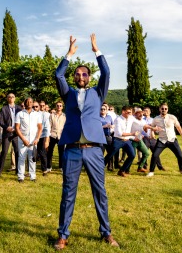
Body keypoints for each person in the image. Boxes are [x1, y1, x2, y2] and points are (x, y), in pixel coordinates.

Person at [54, 34, 119, 250]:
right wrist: (69, 55)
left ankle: (106, 232)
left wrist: (96, 51)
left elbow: (107, 72)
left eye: (84, 73)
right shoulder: (68, 94)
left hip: (93, 151)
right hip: (72, 150)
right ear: (74, 76)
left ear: (89, 77)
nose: (81, 76)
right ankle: (63, 234)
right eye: (77, 73)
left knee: (99, 192)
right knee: (68, 193)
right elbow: (58, 74)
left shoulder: (98, 93)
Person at [104, 106, 151, 177]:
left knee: (132, 155)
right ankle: (99, 168)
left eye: (131, 113)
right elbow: (120, 133)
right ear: (123, 111)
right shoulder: (118, 120)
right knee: (110, 155)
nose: (130, 114)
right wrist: (132, 134)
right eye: (128, 112)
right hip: (118, 140)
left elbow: (141, 123)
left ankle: (122, 171)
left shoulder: (131, 118)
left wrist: (152, 128)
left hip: (127, 141)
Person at [147, 103, 182, 177]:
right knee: (155, 155)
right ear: (159, 109)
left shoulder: (172, 117)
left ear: (167, 109)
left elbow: (178, 126)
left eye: (165, 109)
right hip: (161, 140)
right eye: (162, 108)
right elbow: (152, 127)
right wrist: (152, 133)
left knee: (180, 156)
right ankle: (151, 171)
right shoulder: (156, 119)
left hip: (172, 140)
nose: (164, 110)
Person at [15, 97, 42, 183]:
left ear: (33, 103)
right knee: (21, 158)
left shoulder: (37, 114)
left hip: (33, 140)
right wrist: (23, 139)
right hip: (23, 140)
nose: (29, 103)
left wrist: (37, 138)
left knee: (32, 158)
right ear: (25, 103)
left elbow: (40, 128)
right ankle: (20, 176)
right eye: (27, 101)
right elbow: (17, 128)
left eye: (31, 102)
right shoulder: (20, 114)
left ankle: (32, 176)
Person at [0, 93, 22, 177]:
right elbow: (0, 121)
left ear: (15, 98)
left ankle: (18, 171)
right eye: (9, 97)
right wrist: (6, 127)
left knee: (17, 152)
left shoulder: (19, 108)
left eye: (12, 97)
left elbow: (22, 120)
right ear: (7, 99)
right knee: (4, 152)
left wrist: (18, 128)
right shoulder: (4, 108)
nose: (11, 98)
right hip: (7, 133)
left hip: (16, 133)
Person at [47, 101, 66, 172]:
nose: (59, 107)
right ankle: (49, 166)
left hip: (61, 136)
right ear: (56, 106)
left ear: (62, 107)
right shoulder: (51, 115)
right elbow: (49, 126)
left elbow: (65, 126)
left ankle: (61, 166)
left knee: (61, 152)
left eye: (60, 106)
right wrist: (48, 136)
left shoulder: (64, 116)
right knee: (50, 152)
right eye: (57, 105)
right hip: (53, 135)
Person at [130, 107, 151, 173]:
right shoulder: (132, 119)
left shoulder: (143, 121)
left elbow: (144, 128)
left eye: (141, 113)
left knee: (147, 153)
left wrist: (146, 135)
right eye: (138, 113)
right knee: (132, 155)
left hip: (139, 139)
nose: (140, 114)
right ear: (135, 114)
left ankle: (140, 167)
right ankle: (126, 170)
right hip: (132, 139)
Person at [36, 100, 51, 175]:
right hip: (35, 135)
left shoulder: (48, 115)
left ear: (45, 106)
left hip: (43, 135)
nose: (41, 106)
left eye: (43, 105)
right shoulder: (35, 113)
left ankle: (44, 170)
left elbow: (47, 127)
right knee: (33, 152)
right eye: (40, 105)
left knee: (43, 153)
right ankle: (31, 170)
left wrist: (47, 139)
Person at [99, 104, 114, 171]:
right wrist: (104, 126)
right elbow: (95, 127)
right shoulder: (97, 117)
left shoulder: (109, 117)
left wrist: (111, 126)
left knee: (110, 152)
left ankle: (110, 166)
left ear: (106, 110)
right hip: (100, 137)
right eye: (101, 109)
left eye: (104, 109)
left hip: (108, 136)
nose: (102, 110)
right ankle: (100, 166)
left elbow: (113, 125)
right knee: (100, 152)